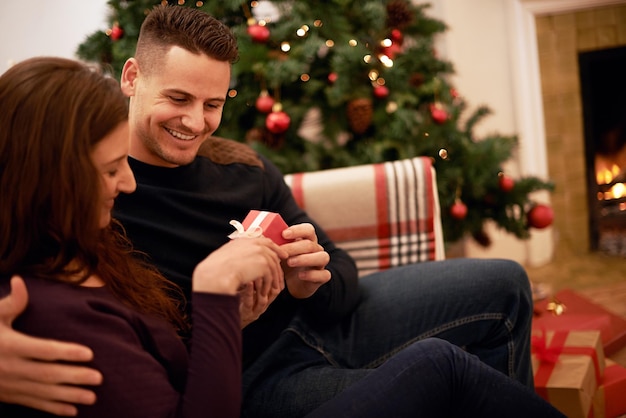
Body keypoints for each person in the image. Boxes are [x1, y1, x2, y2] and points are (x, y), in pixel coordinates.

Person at [0, 5, 563, 418]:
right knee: (440, 373)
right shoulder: (84, 196)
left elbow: (340, 270)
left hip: (319, 322)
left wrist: (309, 281)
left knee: (506, 284)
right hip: (251, 378)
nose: (194, 122)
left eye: (213, 104)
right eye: (177, 99)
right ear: (131, 77)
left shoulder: (240, 167)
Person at [0, 56, 288, 417]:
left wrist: (229, 317)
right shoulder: (57, 314)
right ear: (47, 181)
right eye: (109, 170)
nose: (129, 183)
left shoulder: (90, 242)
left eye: (213, 104)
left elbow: (159, 370)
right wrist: (214, 287)